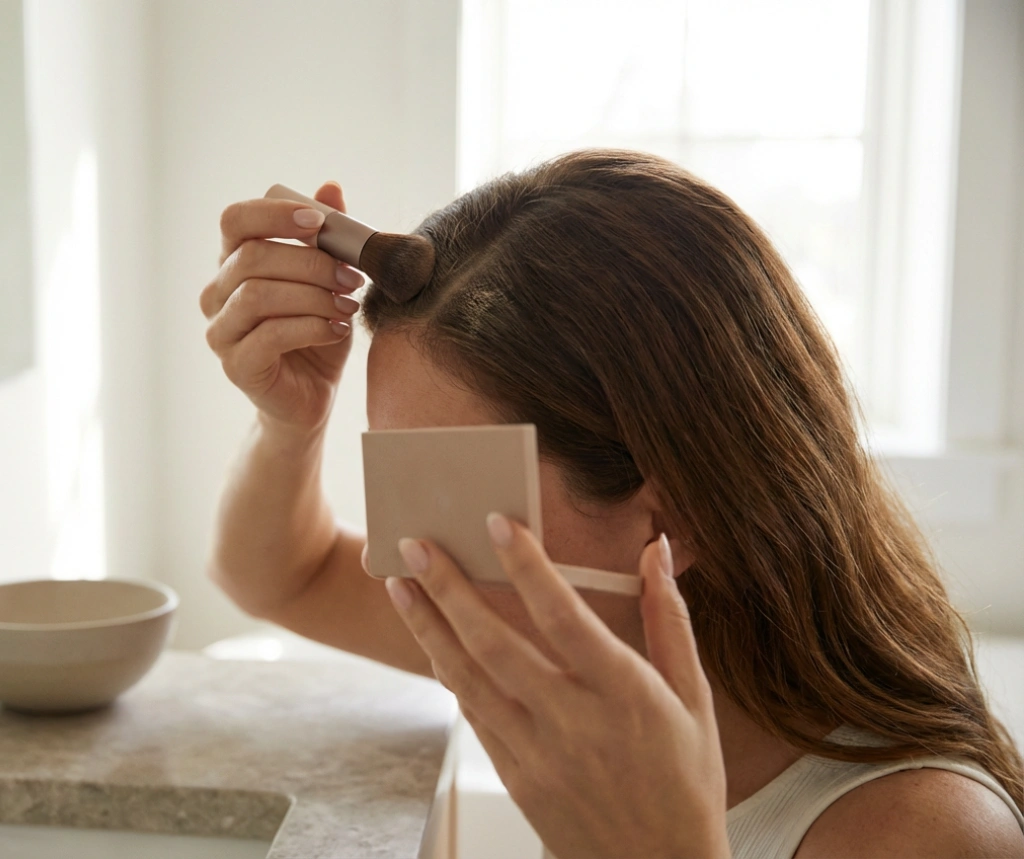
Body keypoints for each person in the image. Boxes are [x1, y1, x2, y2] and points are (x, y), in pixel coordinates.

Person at [198, 150, 1024, 858]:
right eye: (397, 479)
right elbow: (283, 575)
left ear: (674, 517)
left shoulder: (924, 834)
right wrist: (289, 422)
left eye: (447, 488)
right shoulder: (555, 651)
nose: (406, 552)